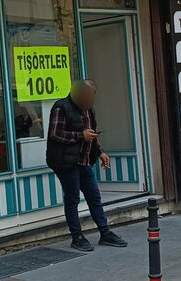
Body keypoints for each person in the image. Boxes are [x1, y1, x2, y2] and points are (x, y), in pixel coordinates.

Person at [46, 79, 128, 252]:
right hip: (66, 162)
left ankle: (105, 233)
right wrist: (80, 135)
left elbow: (92, 134)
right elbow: (55, 134)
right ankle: (77, 237)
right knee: (72, 198)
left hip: (84, 161)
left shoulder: (88, 109)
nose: (90, 101)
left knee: (94, 198)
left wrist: (100, 152)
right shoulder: (61, 107)